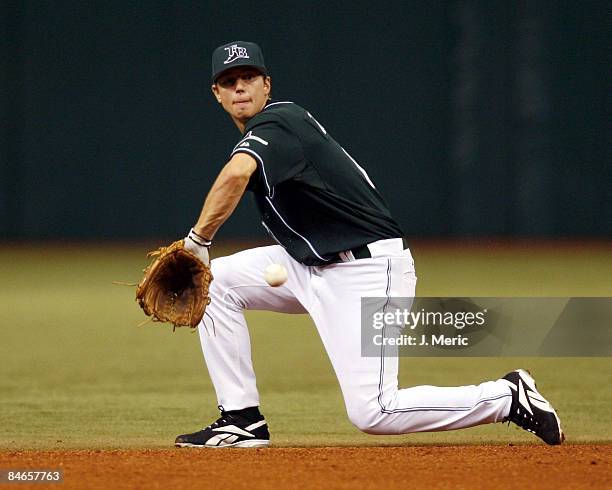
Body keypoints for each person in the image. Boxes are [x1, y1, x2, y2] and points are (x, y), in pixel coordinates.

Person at [174, 41, 564, 448]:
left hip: (366, 271)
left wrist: (198, 240)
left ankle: (506, 397)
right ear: (216, 94)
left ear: (267, 85)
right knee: (213, 283)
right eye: (229, 81)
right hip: (310, 264)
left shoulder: (280, 121)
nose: (240, 87)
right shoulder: (271, 132)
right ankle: (242, 420)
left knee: (375, 411)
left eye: (249, 77)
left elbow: (236, 175)